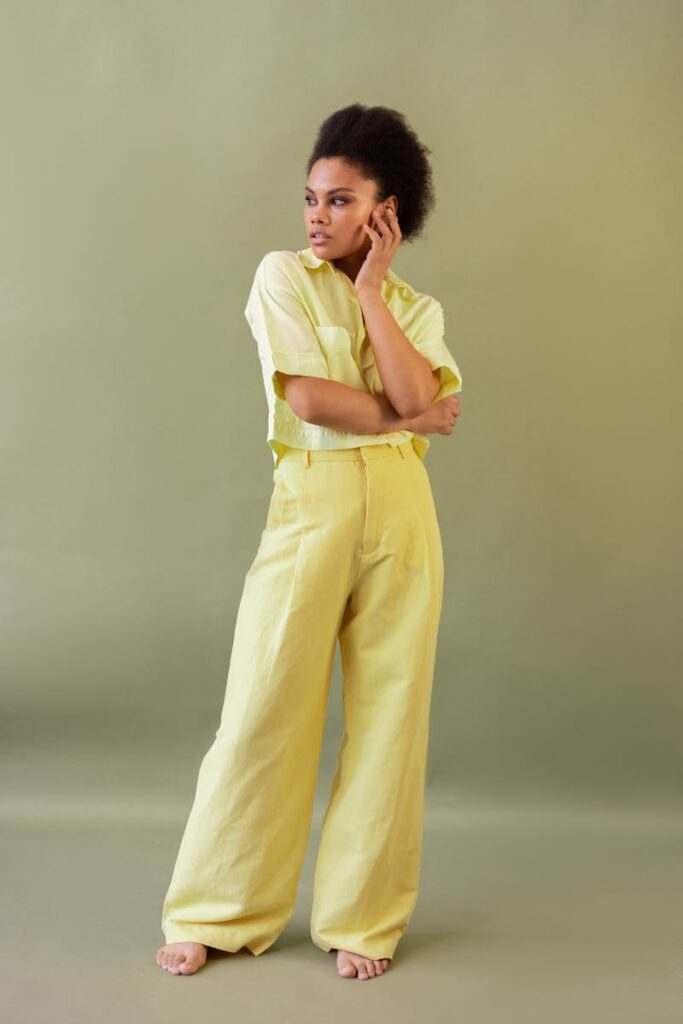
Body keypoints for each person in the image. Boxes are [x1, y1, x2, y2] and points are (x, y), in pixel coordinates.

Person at [156, 103, 463, 981]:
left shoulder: (412, 306)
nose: (317, 216)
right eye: (311, 198)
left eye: (340, 201)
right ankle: (217, 910)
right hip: (312, 509)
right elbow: (309, 402)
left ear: (385, 213)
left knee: (390, 722)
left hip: (403, 519)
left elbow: (406, 386)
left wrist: (370, 294)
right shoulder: (280, 277)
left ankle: (363, 921)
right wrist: (410, 413)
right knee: (263, 707)